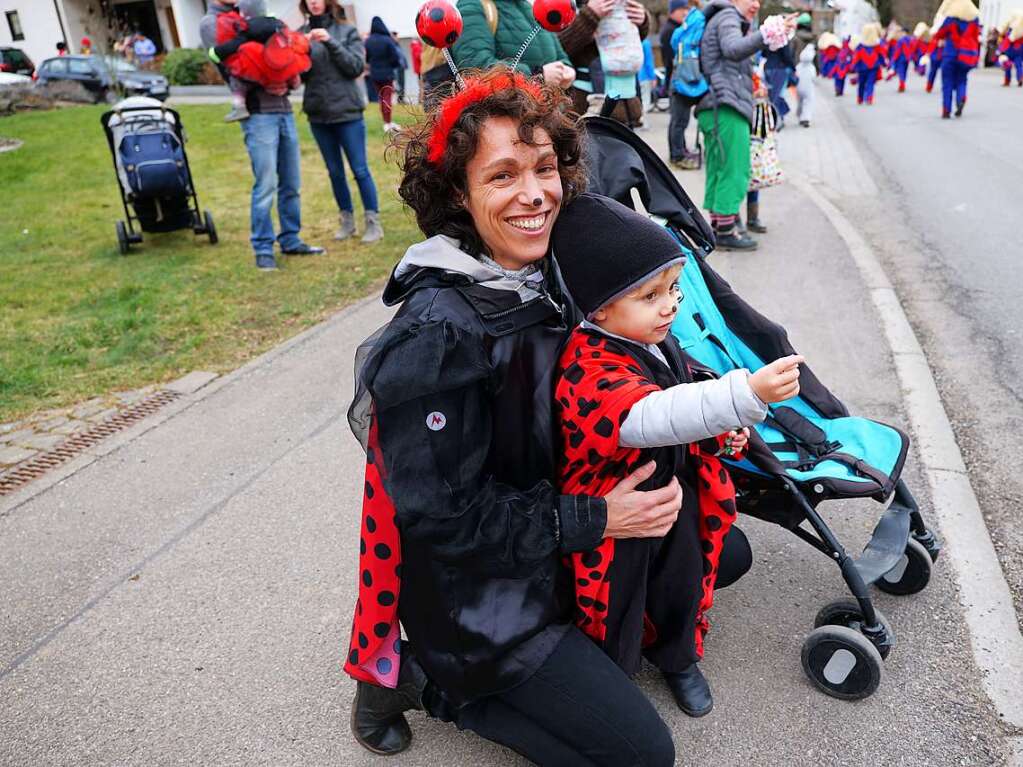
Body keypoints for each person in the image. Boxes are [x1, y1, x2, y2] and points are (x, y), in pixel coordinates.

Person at [344, 67, 684, 765]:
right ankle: (422, 680)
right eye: (501, 176)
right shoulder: (435, 335)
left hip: (553, 534)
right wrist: (597, 518)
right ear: (459, 197)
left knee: (722, 551)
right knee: (642, 754)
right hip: (480, 595)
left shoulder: (552, 269)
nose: (534, 194)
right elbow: (443, 522)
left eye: (543, 168)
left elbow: (637, 349)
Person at [551, 192, 798, 716]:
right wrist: (744, 395)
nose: (670, 306)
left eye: (674, 289)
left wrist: (719, 435)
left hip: (672, 498)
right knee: (615, 603)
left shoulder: (655, 341)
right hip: (613, 516)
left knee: (679, 583)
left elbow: (684, 403)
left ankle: (678, 656)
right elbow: (649, 417)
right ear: (599, 306)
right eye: (650, 296)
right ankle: (610, 676)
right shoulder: (585, 365)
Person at [200, 0, 324, 270]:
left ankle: (290, 239)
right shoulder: (212, 23)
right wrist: (272, 79)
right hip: (258, 115)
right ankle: (263, 247)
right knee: (266, 184)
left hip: (283, 109)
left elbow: (280, 48)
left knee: (291, 182)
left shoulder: (250, 14)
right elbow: (230, 65)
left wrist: (287, 74)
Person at [696, 0, 796, 250]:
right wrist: (766, 33)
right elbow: (732, 48)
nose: (755, 4)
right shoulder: (728, 17)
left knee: (719, 169)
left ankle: (719, 227)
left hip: (715, 106)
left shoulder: (720, 18)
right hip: (726, 105)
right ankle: (726, 232)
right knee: (735, 169)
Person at [300, 0, 383, 244]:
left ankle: (373, 222)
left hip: (347, 112)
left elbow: (355, 67)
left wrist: (330, 41)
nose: (313, 2)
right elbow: (300, 74)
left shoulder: (346, 30)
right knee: (335, 172)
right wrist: (300, 49)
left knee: (360, 170)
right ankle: (347, 221)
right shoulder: (300, 35)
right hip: (318, 113)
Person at [558, 0, 650, 128]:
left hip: (627, 104)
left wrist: (642, 21)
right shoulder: (566, 5)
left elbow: (629, 45)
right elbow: (557, 48)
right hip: (585, 109)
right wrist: (589, 16)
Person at [451, 0, 576, 91]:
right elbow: (475, 66)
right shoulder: (472, 6)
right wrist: (538, 76)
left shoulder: (533, 8)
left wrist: (566, 70)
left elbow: (561, 57)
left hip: (547, 117)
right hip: (506, 118)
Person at [667, 0, 706, 169]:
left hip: (678, 77)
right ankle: (677, 156)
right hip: (683, 78)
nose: (684, 12)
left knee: (679, 121)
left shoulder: (680, 29)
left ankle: (680, 152)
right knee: (679, 122)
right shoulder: (691, 23)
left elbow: (673, 47)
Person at [932, 0, 981, 117]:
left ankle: (946, 109)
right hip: (966, 55)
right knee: (962, 79)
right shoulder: (974, 20)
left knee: (947, 82)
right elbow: (976, 37)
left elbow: (938, 35)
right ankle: (961, 98)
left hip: (950, 54)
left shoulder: (950, 20)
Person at [365, 17, 403, 131]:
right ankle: (388, 123)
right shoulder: (387, 40)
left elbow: (367, 58)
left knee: (381, 98)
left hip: (375, 74)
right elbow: (395, 57)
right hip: (387, 74)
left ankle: (386, 122)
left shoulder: (368, 41)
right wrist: (393, 65)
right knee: (387, 98)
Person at [851, 23, 884, 105]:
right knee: (870, 83)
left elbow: (856, 57)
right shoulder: (877, 44)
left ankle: (860, 98)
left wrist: (853, 66)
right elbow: (881, 55)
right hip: (873, 66)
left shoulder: (860, 45)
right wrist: (883, 63)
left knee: (861, 83)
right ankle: (869, 97)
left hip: (862, 67)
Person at [795, 42, 816, 126]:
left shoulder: (798, 66)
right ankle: (805, 118)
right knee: (808, 102)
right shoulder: (812, 67)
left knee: (800, 102)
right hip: (808, 88)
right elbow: (813, 78)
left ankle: (799, 115)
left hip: (799, 87)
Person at [391, 31, 408, 103]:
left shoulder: (398, 45)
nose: (398, 38)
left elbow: (402, 57)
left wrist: (405, 64)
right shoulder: (391, 45)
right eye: (396, 37)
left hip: (401, 67)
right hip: (396, 68)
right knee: (398, 84)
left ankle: (401, 99)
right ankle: (399, 99)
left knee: (402, 83)